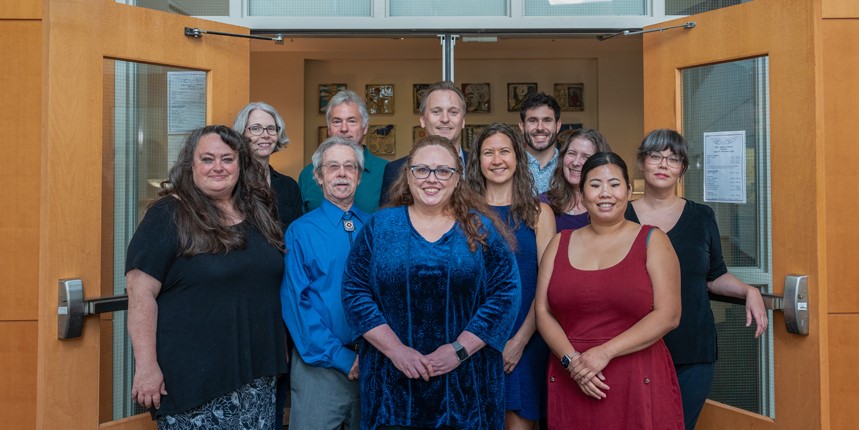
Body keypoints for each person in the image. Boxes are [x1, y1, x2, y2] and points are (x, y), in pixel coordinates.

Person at [342, 136, 521, 429]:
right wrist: (396, 350)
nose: (432, 179)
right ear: (408, 174)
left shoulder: (480, 228)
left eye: (443, 171)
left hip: (466, 387)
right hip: (391, 386)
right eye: (422, 169)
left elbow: (506, 293)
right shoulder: (381, 226)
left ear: (457, 178)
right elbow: (354, 290)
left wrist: (459, 350)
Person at [126, 125, 287, 429]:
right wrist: (146, 366)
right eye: (207, 159)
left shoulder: (258, 211)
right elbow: (139, 292)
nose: (218, 167)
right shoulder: (169, 214)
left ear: (241, 165)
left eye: (227, 159)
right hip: (194, 380)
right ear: (191, 165)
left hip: (257, 376)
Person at [624, 129, 769, 430]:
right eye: (655, 156)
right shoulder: (621, 215)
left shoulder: (702, 216)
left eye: (673, 159)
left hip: (693, 350)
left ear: (682, 170)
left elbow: (715, 277)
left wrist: (748, 290)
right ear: (641, 163)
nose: (664, 164)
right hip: (633, 349)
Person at [535, 151, 684, 429]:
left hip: (636, 376)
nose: (605, 193)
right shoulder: (559, 243)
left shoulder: (653, 240)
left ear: (628, 191)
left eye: (614, 184)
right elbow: (542, 311)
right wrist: (572, 362)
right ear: (582, 191)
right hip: (572, 375)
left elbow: (669, 315)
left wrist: (604, 353)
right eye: (595, 185)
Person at [463, 123, 555, 430]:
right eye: (488, 153)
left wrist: (519, 340)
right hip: (474, 338)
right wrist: (477, 341)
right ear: (478, 161)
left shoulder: (540, 213)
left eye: (505, 151)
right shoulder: (462, 215)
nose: (497, 159)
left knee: (518, 422)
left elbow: (547, 284)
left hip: (526, 337)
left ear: (518, 157)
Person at [282, 136, 367, 430]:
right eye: (333, 167)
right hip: (319, 368)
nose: (342, 174)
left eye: (349, 167)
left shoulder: (376, 228)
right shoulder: (300, 232)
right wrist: (342, 358)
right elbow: (297, 307)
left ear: (358, 175)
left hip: (374, 365)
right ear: (318, 176)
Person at [298, 90, 389, 213]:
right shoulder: (308, 174)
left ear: (365, 127)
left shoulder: (387, 171)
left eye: (352, 121)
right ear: (329, 128)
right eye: (337, 121)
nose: (344, 129)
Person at [380, 81, 468, 205]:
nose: (445, 119)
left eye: (453, 112)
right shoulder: (394, 170)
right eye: (436, 112)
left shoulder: (480, 166)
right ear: (422, 120)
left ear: (463, 121)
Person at [233, 102, 303, 231]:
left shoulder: (289, 186)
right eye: (255, 128)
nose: (265, 135)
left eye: (271, 128)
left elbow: (297, 235)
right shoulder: (230, 184)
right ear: (241, 134)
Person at [540, 128, 611, 232]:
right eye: (572, 153)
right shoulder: (543, 203)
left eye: (585, 156)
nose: (576, 162)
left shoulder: (608, 207)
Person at [519, 92, 562, 194]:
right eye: (532, 121)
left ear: (558, 125)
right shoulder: (510, 166)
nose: (540, 128)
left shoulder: (569, 167)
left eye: (547, 120)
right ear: (522, 126)